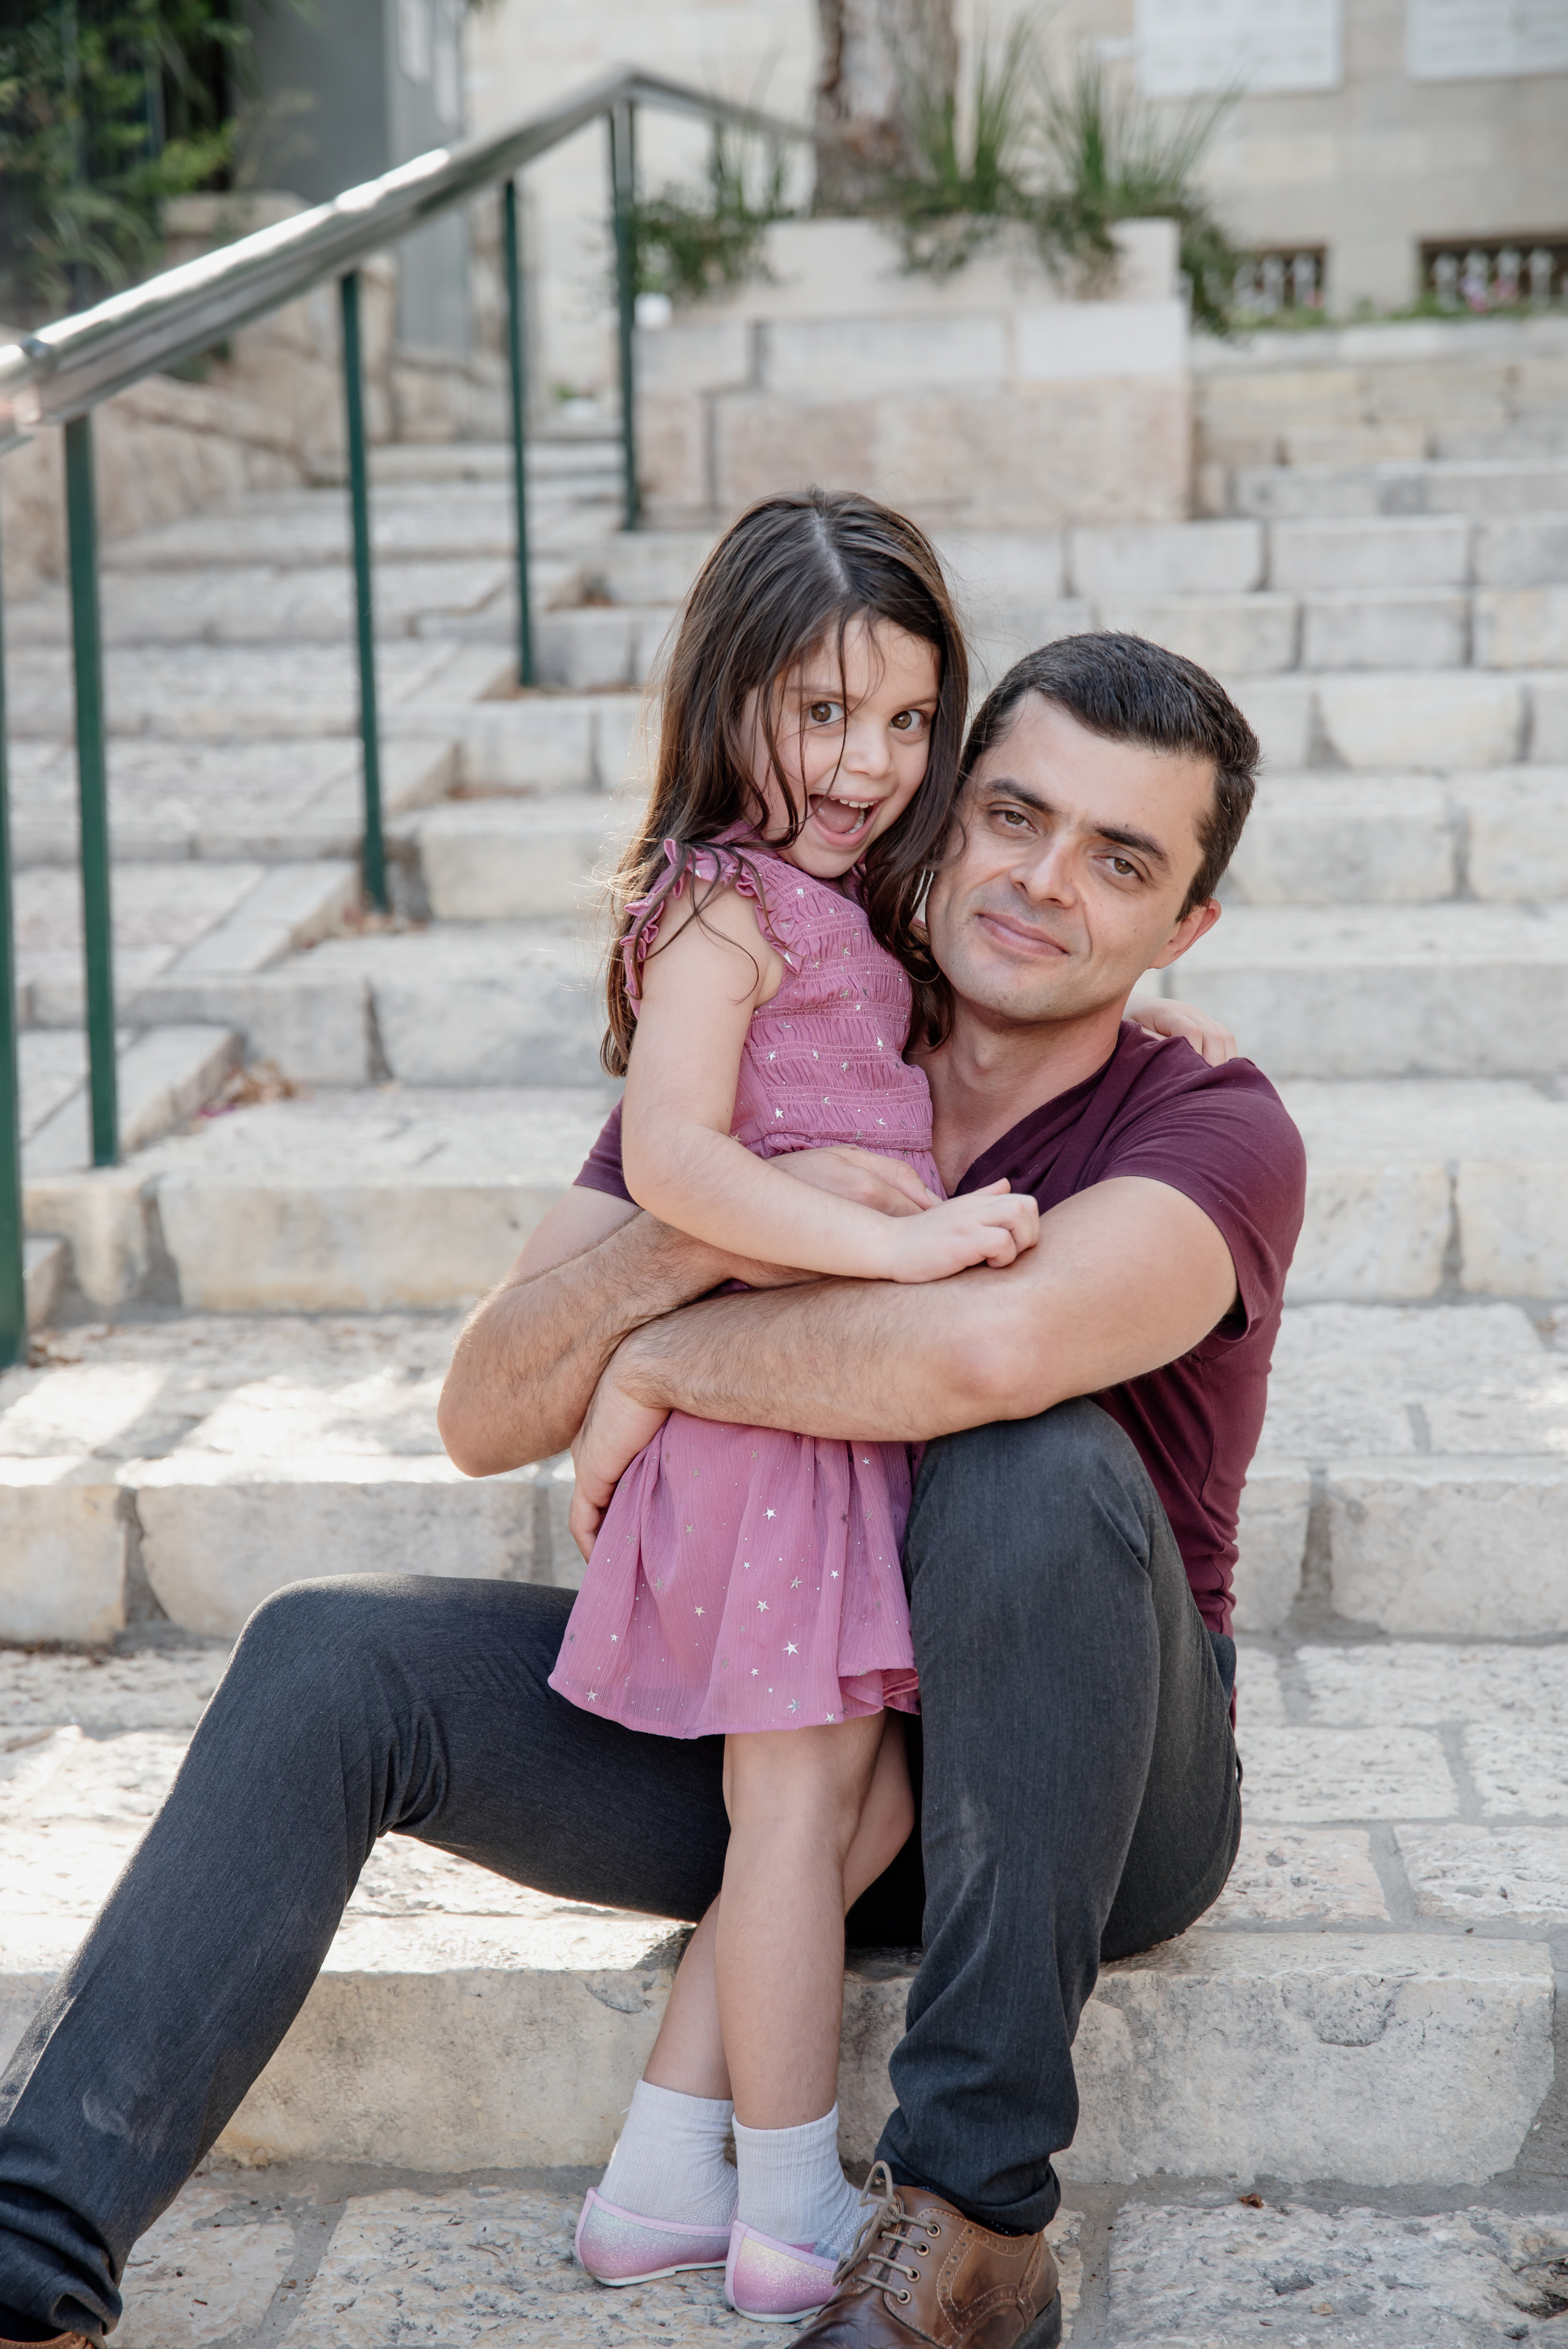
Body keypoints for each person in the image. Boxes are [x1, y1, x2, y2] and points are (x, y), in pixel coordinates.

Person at [0, 618, 1299, 2349]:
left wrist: (668, 1365)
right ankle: (29, 2262)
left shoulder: (1209, 1127)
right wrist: (672, 1248)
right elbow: (484, 1403)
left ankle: (972, 2224)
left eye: (1120, 858)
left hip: (1096, 1795)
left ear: (1182, 924)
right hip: (791, 1751)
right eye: (1014, 814)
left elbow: (988, 1354)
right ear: (946, 813)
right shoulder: (784, 1044)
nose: (1046, 880)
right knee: (328, 1653)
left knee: (1033, 1451)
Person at [556, 491, 1042, 2323]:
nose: (867, 762)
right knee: (795, 1815)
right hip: (770, 1433)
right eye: (824, 711)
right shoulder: (715, 905)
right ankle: (788, 2205)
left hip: (819, 1425)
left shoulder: (835, 905)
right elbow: (676, 1156)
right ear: (729, 692)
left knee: (860, 1799)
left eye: (909, 721)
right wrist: (898, 1251)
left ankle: (655, 2177)